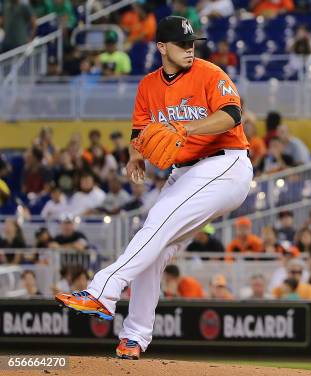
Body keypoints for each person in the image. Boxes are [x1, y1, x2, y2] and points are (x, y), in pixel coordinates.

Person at [55, 16, 252, 361]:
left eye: (192, 44)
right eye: (182, 44)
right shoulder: (148, 85)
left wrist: (187, 129)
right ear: (162, 47)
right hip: (186, 172)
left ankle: (102, 289)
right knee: (155, 247)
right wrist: (136, 157)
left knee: (157, 221)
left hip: (226, 164)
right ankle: (134, 337)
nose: (190, 49)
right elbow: (139, 133)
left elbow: (232, 115)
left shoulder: (209, 73)